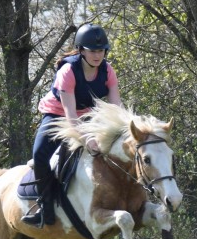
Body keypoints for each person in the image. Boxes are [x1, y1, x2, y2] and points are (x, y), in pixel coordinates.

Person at [22, 23, 123, 227]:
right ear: (81, 50)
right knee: (40, 153)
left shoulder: (108, 70)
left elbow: (116, 108)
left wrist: (126, 131)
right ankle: (45, 207)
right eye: (92, 50)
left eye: (101, 50)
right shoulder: (68, 71)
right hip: (58, 115)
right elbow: (70, 116)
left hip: (87, 115)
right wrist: (89, 139)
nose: (97, 55)